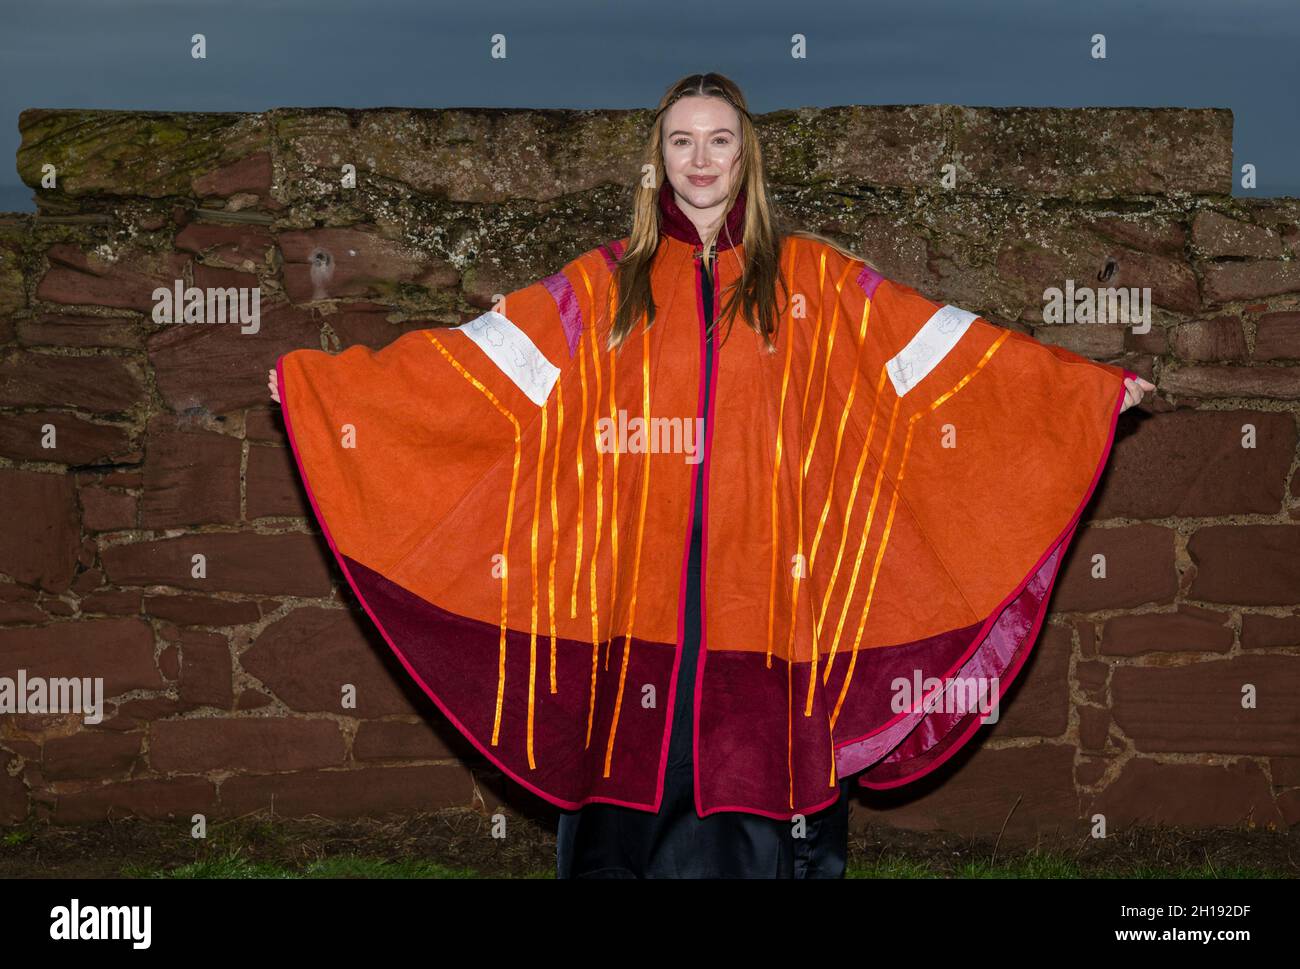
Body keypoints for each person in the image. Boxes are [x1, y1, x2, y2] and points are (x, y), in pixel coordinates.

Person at [269, 72, 1153, 880]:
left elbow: (937, 352)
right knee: (629, 767)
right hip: (633, 586)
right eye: (681, 140)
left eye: (719, 139)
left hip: (766, 581)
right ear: (658, 159)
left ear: (746, 156)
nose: (700, 158)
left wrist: (1083, 395)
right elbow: (478, 371)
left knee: (756, 777)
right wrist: (325, 391)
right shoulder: (605, 285)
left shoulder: (811, 278)